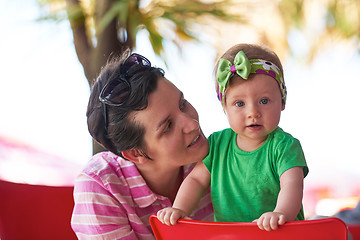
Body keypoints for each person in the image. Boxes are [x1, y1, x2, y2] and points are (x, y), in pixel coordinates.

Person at [157, 43, 309, 231]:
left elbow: (292, 185)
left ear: (282, 101)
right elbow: (195, 180)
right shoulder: (218, 144)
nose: (253, 112)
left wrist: (280, 213)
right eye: (239, 103)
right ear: (225, 108)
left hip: (280, 233)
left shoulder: (284, 146)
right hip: (231, 235)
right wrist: (179, 208)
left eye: (264, 101)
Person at [70, 51, 213, 240]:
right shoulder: (101, 185)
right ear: (136, 154)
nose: (193, 124)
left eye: (183, 103)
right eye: (168, 126)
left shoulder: (221, 155)